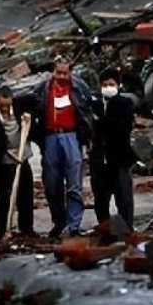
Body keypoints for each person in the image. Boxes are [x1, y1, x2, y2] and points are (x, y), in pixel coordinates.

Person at [30, 56, 94, 238]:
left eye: (65, 73)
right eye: (59, 72)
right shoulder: (43, 88)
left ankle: (74, 225)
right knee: (52, 183)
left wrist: (88, 137)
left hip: (71, 135)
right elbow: (33, 107)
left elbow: (87, 109)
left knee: (74, 183)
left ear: (70, 72)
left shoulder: (79, 87)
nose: (62, 76)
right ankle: (59, 222)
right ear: (53, 71)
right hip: (50, 136)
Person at [0, 86, 35, 238]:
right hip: (2, 162)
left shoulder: (19, 109)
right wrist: (2, 155)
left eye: (8, 104)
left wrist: (29, 118)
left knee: (25, 194)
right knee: (5, 195)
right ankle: (3, 229)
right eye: (2, 105)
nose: (5, 108)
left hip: (22, 157)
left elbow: (35, 102)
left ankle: (27, 228)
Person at [91, 67, 137, 230]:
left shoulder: (125, 103)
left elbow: (121, 128)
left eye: (111, 84)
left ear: (118, 86)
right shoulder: (94, 104)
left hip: (120, 158)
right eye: (104, 84)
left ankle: (127, 229)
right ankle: (105, 228)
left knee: (123, 197)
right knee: (101, 199)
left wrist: (102, 122)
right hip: (99, 160)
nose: (108, 87)